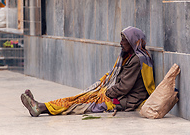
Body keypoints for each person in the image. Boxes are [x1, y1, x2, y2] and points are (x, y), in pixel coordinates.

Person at [20, 26, 155, 117]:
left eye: (124, 40)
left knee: (81, 104)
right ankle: (42, 105)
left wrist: (106, 93)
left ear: (132, 42)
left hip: (126, 100)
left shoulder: (138, 59)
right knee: (81, 97)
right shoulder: (129, 56)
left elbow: (124, 87)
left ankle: (41, 108)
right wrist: (102, 89)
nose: (120, 43)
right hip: (118, 95)